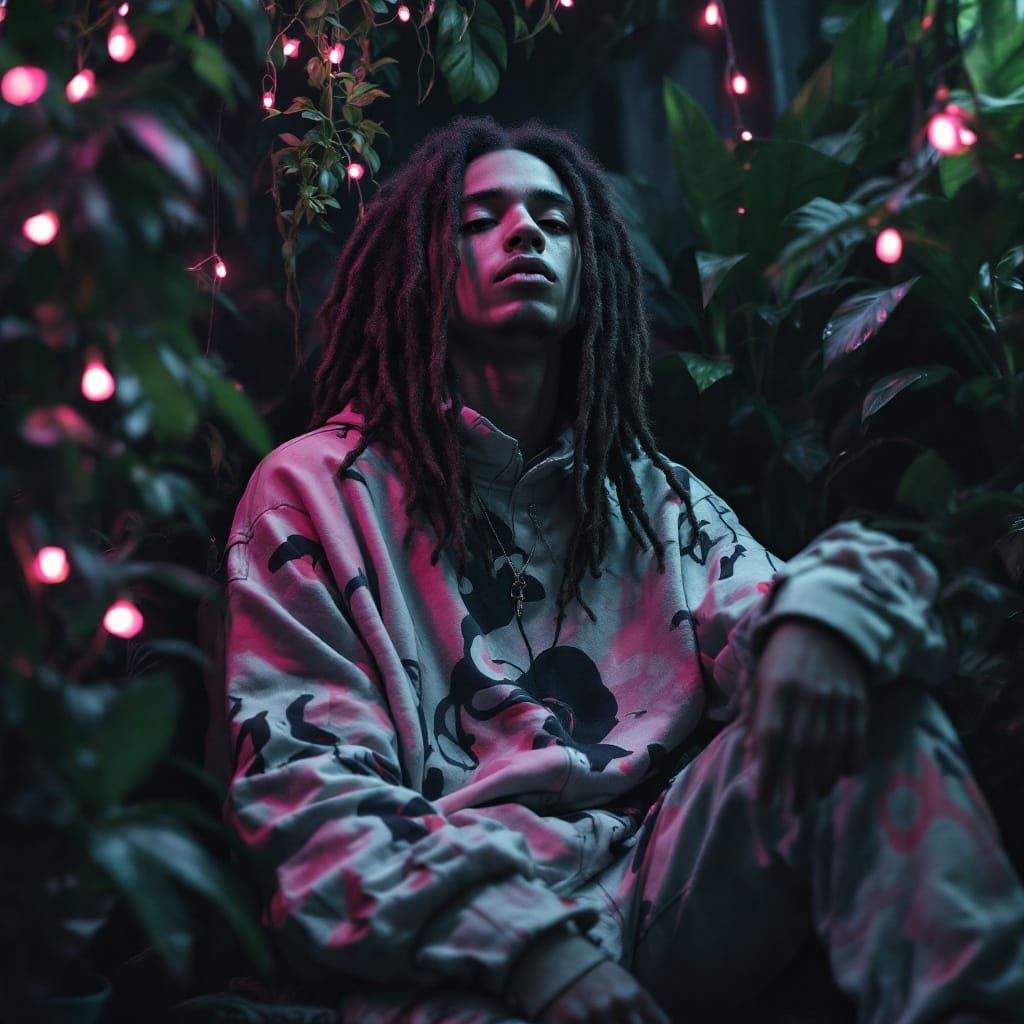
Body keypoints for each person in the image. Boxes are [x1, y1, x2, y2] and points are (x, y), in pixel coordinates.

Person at [222, 115, 1024, 1023]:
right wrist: (531, 950)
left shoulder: (653, 496)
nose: (523, 233)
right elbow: (308, 797)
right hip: (457, 936)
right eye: (476, 219)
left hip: (661, 886)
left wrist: (819, 622)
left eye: (553, 221)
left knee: (857, 685)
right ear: (414, 269)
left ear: (590, 266)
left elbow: (784, 610)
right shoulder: (312, 492)